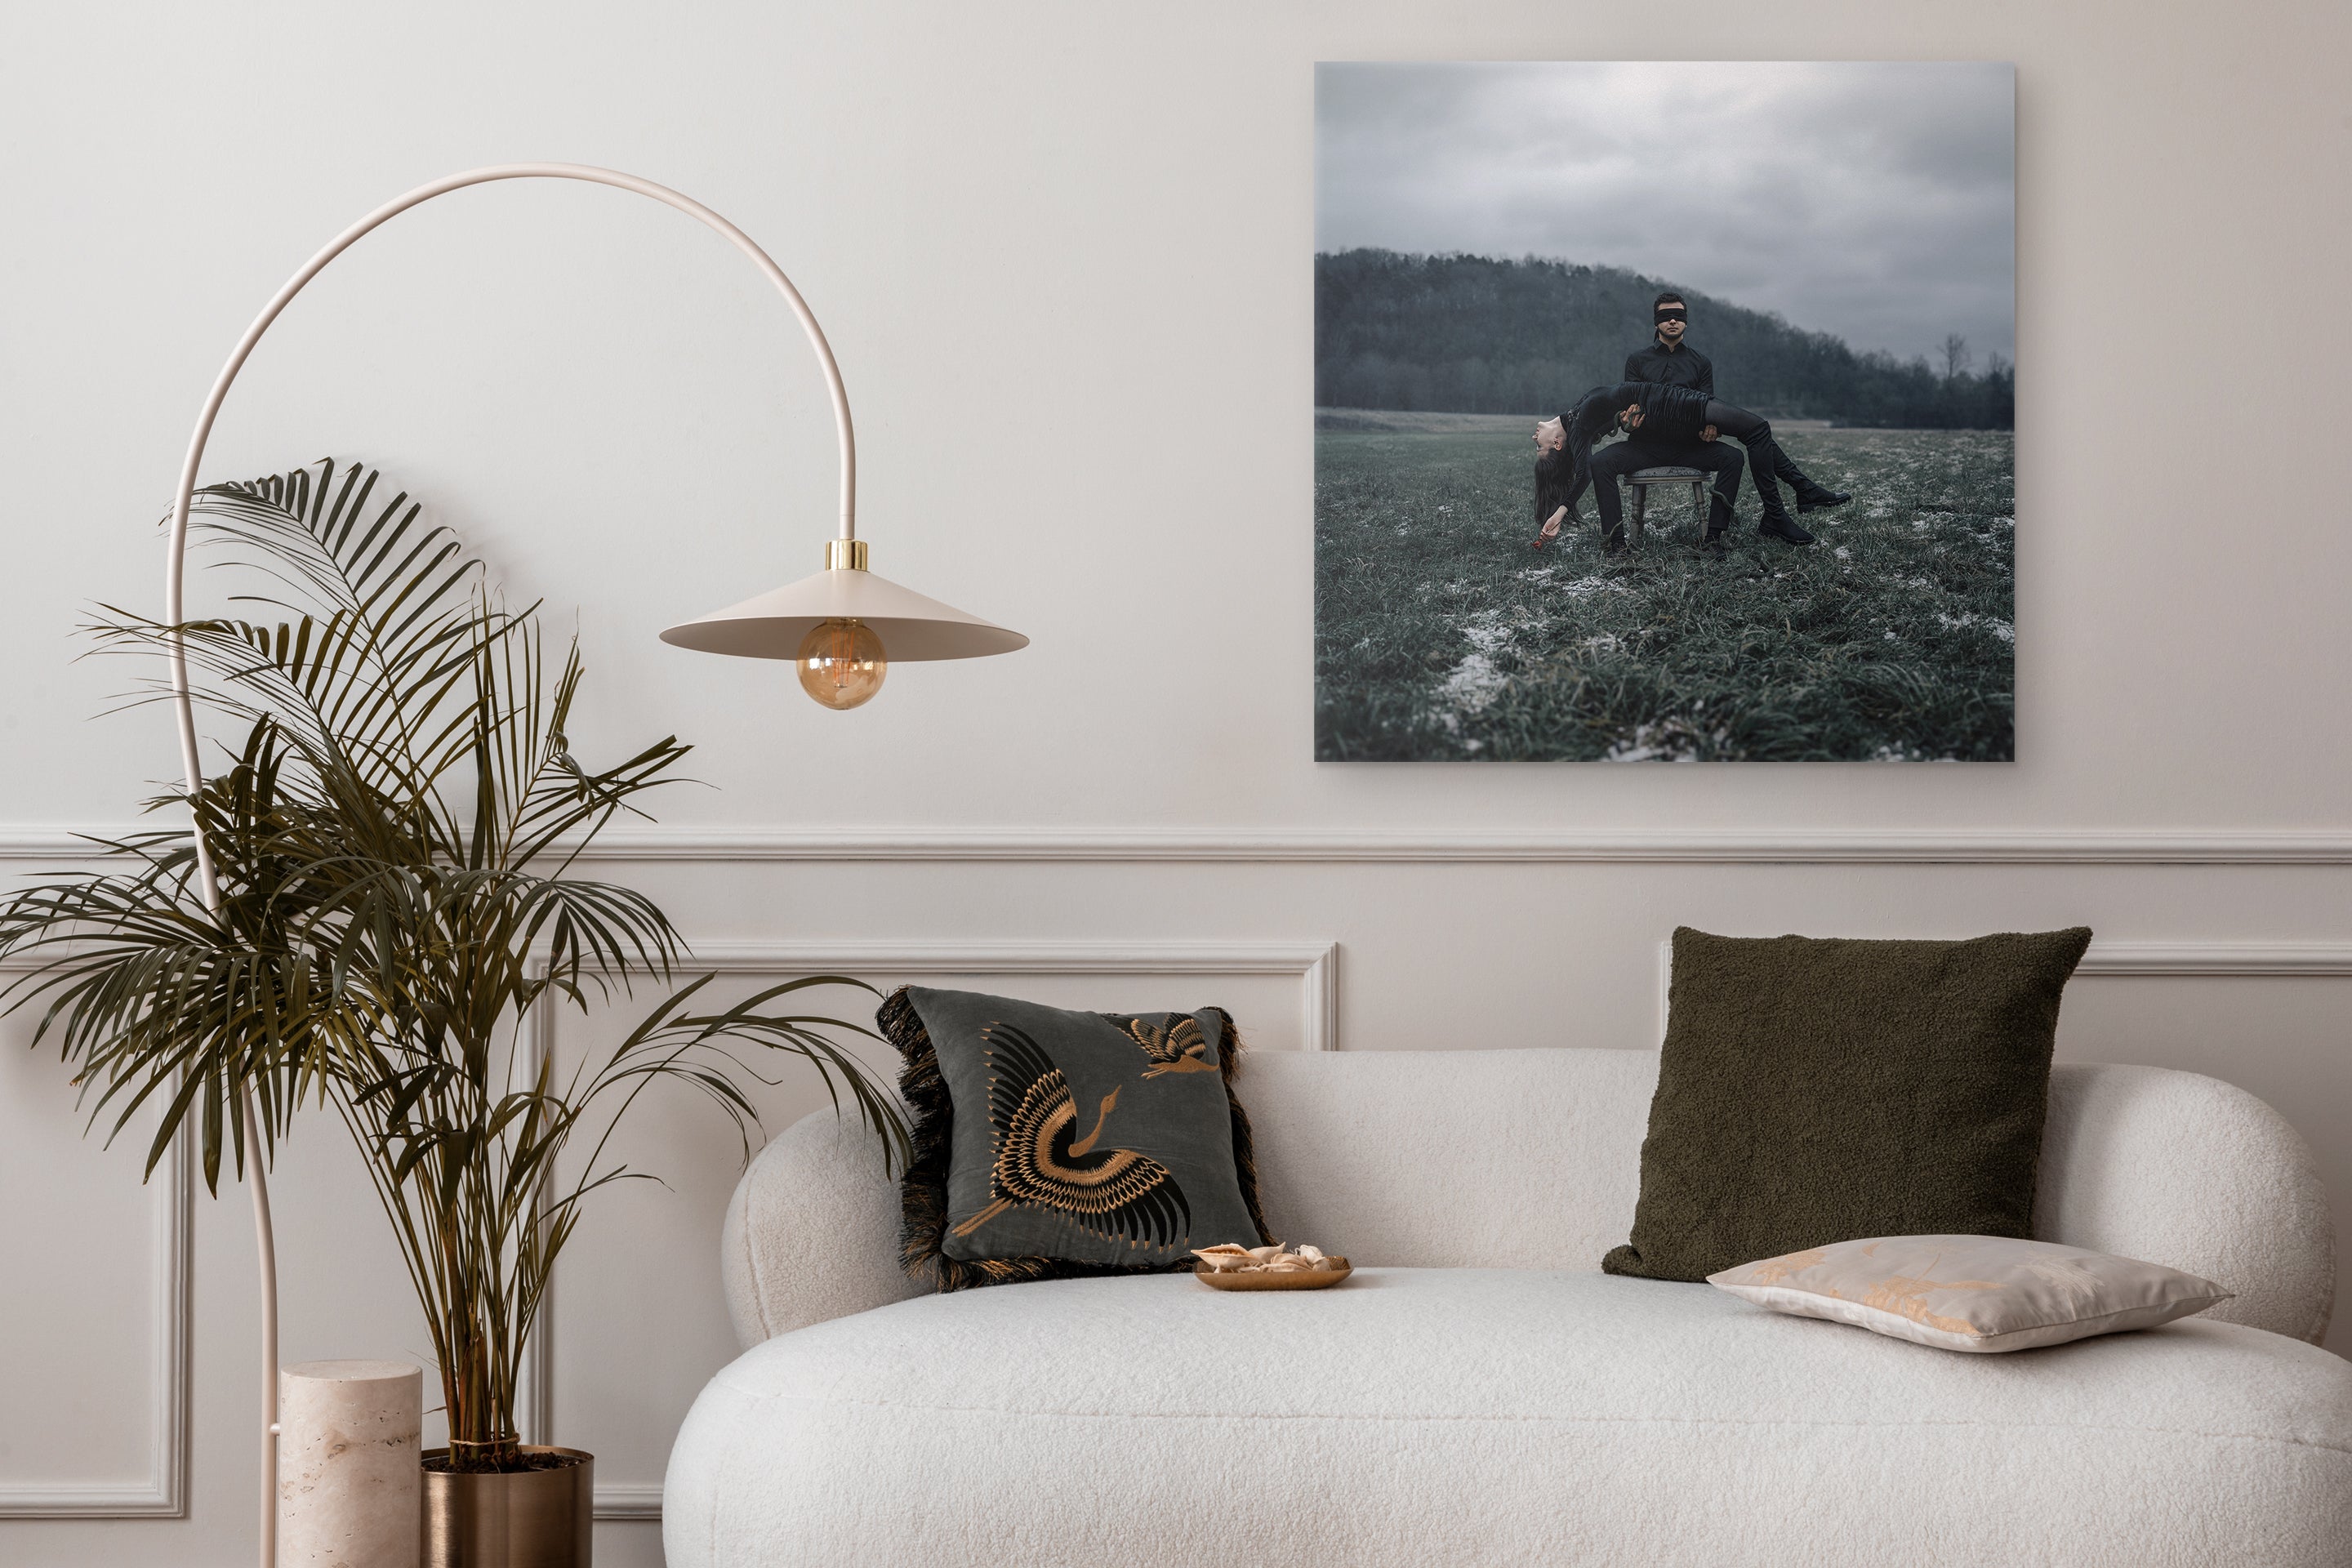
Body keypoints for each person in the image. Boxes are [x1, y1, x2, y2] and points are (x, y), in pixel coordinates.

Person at [1623, 292, 1851, 540]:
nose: (1673, 321)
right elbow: (1634, 406)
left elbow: (1706, 403)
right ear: (1656, 321)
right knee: (1758, 429)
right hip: (1655, 434)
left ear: (1686, 320)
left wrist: (1711, 425)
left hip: (1691, 430)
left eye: (1678, 315)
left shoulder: (1701, 362)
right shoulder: (1637, 361)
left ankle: (1790, 502)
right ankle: (1796, 497)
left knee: (1757, 431)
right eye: (1666, 316)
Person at [1531, 384, 1744, 554]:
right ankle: (1617, 545)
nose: (1534, 438)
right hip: (1656, 425)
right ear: (1557, 444)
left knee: (1740, 446)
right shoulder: (1579, 425)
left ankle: (1714, 539)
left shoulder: (1576, 416)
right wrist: (1560, 513)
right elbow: (1585, 472)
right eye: (1539, 445)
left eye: (1537, 444)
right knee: (1748, 427)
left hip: (1677, 422)